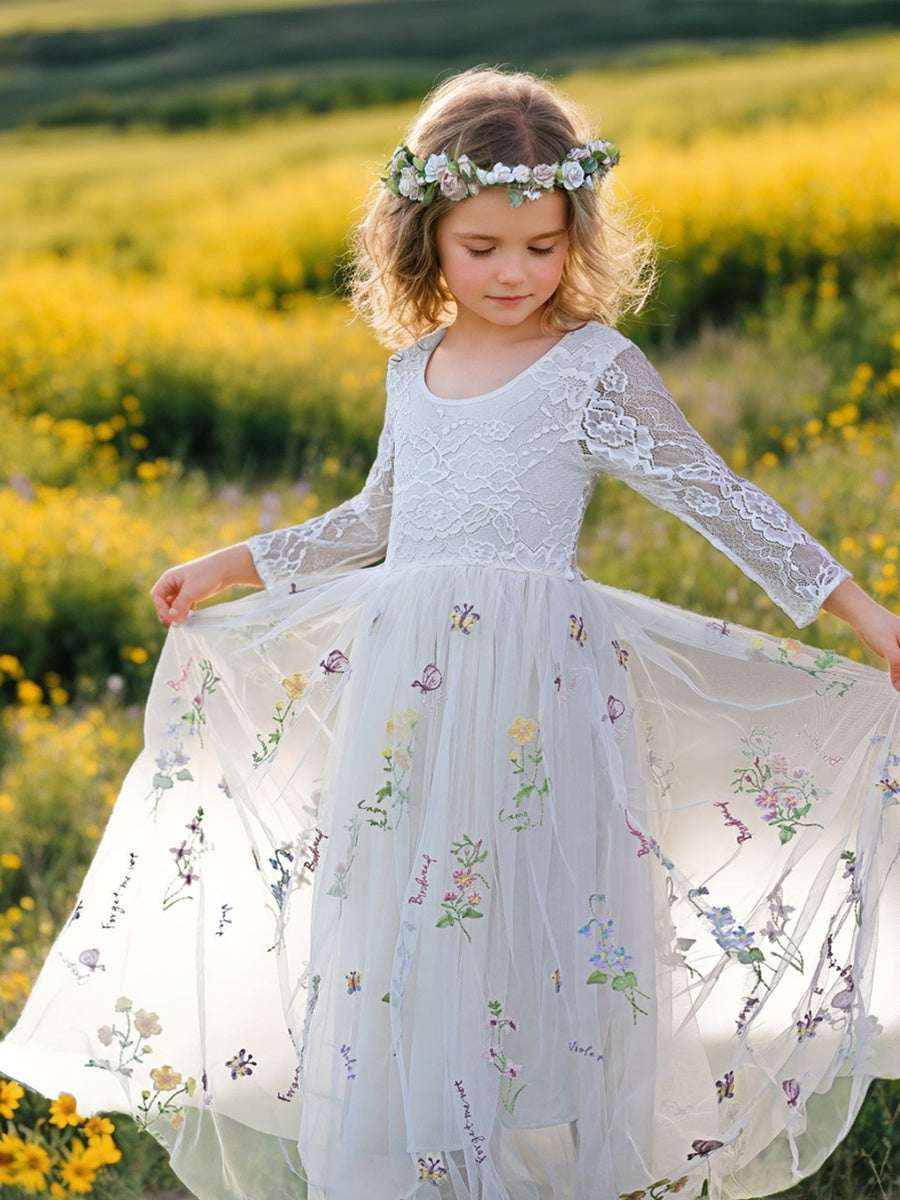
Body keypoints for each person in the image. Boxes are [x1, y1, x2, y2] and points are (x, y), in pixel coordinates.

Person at [1, 68, 898, 1200]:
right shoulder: (410, 374)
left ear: (578, 234)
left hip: (537, 695)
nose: (516, 273)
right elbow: (377, 520)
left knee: (530, 923)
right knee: (406, 927)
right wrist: (230, 564)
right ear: (422, 239)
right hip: (407, 698)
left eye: (542, 246)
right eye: (483, 248)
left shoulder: (592, 370)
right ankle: (422, 1164)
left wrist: (866, 616)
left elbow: (723, 503)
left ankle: (541, 1166)